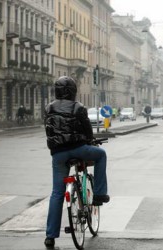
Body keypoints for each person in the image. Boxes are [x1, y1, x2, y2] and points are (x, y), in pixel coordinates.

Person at [43, 76, 110, 248]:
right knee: (101, 155)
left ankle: (50, 236)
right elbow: (87, 132)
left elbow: (49, 130)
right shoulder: (78, 107)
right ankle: (99, 194)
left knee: (57, 193)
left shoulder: (49, 107)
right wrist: (90, 140)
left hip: (58, 154)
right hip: (78, 149)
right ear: (73, 91)